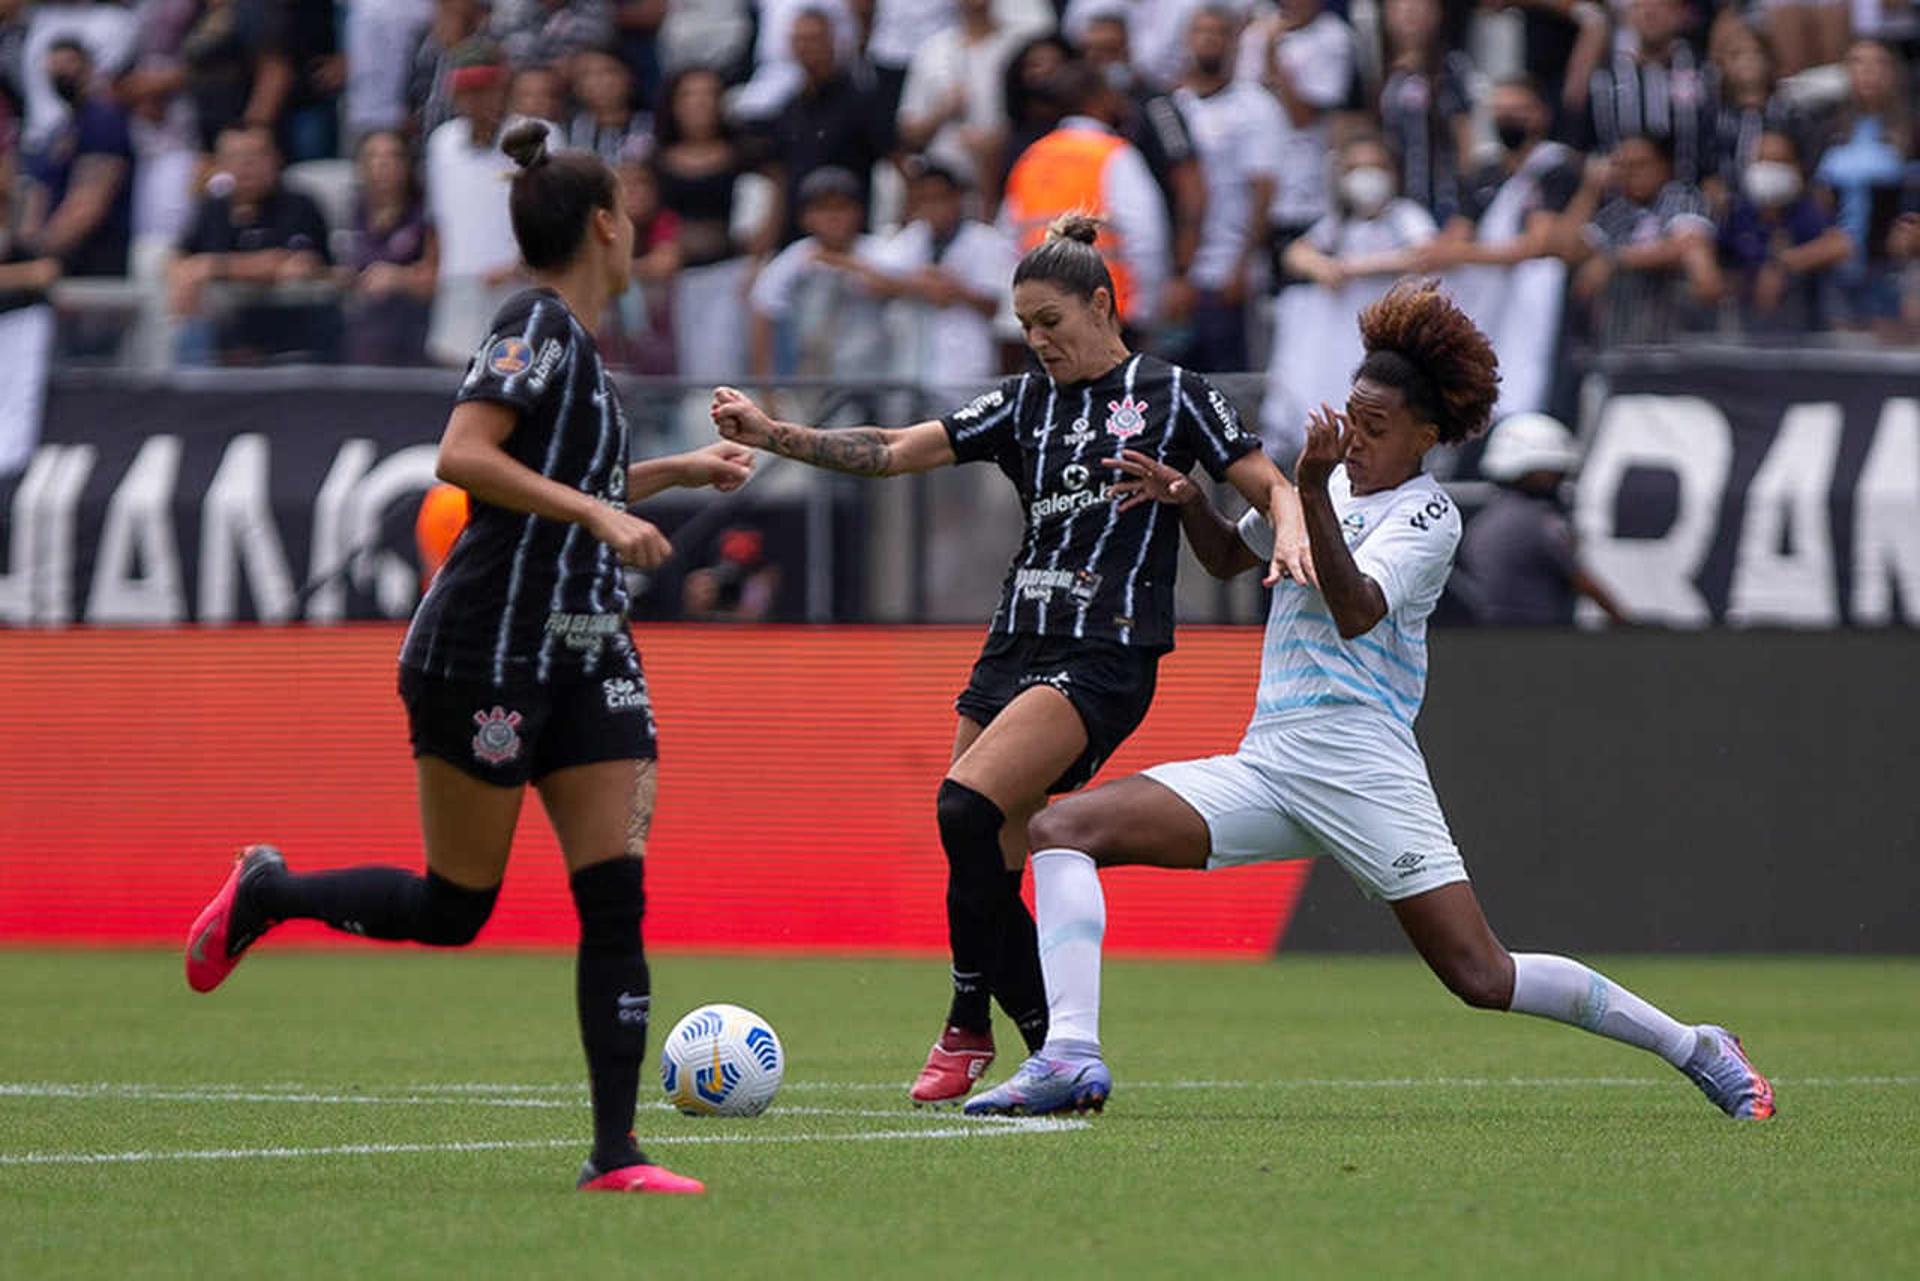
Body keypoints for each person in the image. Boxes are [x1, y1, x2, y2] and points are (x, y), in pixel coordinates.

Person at [964, 280, 1775, 1124]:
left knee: (1482, 976)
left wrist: (1307, 489)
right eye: (1351, 422)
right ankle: (1072, 1055)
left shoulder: (1429, 515)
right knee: (1064, 829)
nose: (1356, 442)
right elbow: (1228, 560)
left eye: (1377, 430)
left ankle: (1696, 1044)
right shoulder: (1333, 485)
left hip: (1362, 768)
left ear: (1427, 434)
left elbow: (1355, 610)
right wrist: (1193, 501)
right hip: (1271, 761)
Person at [184, 118, 758, 1196]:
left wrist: (675, 472)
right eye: (626, 213)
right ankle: (269, 893)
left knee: (616, 897)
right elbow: (464, 456)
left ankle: (616, 1154)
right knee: (458, 909)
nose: (634, 230)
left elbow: (561, 487)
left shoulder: (584, 351)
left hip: (589, 652)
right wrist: (598, 509)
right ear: (602, 224)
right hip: (486, 650)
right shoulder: (533, 323)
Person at [712, 216, 1308, 1104]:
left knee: (965, 806)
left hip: (1105, 648)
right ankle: (1024, 1042)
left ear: (1101, 305)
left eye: (1050, 322)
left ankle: (985, 1025)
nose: (1036, 341)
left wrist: (1291, 535)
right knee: (978, 845)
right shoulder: (1023, 400)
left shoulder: (1176, 392)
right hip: (1013, 639)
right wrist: (772, 433)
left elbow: (1270, 484)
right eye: (1024, 326)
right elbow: (891, 450)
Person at [1000, 61, 1171, 333]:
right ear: (1098, 99)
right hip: (1107, 315)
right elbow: (1145, 238)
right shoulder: (1114, 155)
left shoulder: (1032, 158)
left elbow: (1009, 240)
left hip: (1043, 319)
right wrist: (1146, 309)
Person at [1169, 6, 1280, 372]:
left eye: (1218, 32)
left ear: (1233, 42)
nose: (1208, 40)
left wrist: (1243, 265)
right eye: (1200, 31)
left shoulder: (1256, 105)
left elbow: (1263, 190)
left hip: (1227, 269)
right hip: (1181, 273)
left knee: (1230, 377)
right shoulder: (1173, 107)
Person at [169, 123, 337, 365]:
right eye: (234, 158)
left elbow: (296, 264)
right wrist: (187, 272)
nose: (245, 166)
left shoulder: (299, 205)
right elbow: (179, 260)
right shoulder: (212, 208)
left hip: (290, 341)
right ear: (221, 165)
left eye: (255, 156)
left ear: (276, 158)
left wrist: (212, 267)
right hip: (223, 340)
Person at [1458, 412, 1628, 625]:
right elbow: (1582, 581)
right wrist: (1624, 621)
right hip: (1540, 637)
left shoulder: (1483, 521)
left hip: (1492, 633)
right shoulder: (1539, 522)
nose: (1558, 479)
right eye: (1553, 472)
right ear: (1529, 470)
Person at [746, 166, 893, 380]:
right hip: (815, 375)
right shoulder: (794, 259)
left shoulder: (880, 251)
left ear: (858, 212)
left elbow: (896, 288)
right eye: (823, 209)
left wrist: (844, 263)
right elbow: (762, 312)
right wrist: (767, 389)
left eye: (841, 208)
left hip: (877, 376)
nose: (833, 217)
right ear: (805, 217)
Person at [1717, 130, 1853, 333]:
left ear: (1796, 167)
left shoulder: (1807, 212)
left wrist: (1781, 265)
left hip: (1805, 337)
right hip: (1747, 334)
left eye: (1778, 162)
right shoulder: (1739, 214)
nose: (1768, 170)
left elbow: (1841, 245)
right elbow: (1719, 260)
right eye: (1762, 161)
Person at [18, 38, 131, 280]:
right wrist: (26, 248)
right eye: (54, 66)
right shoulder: (59, 130)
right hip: (51, 258)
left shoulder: (103, 121)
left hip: (91, 260)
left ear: (88, 67)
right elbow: (38, 195)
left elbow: (89, 206)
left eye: (67, 64)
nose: (60, 73)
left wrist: (43, 250)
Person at [342, 129, 437, 366]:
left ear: (408, 164)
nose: (383, 164)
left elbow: (440, 278)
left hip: (415, 329)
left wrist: (400, 278)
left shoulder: (426, 214)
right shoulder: (355, 212)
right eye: (373, 157)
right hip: (363, 331)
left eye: (394, 156)